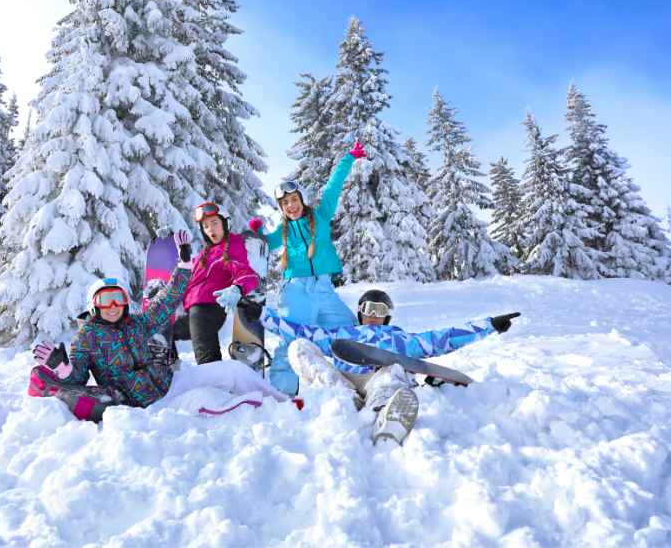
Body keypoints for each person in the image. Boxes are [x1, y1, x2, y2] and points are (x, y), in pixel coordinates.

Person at [27, 230, 286, 422]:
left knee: (234, 371)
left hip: (174, 379)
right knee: (209, 401)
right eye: (105, 301)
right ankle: (254, 411)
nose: (114, 305)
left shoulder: (136, 323)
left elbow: (167, 300)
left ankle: (284, 404)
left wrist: (184, 266)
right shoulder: (87, 338)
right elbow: (77, 380)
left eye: (118, 298)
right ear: (94, 306)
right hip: (152, 403)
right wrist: (62, 367)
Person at [261, 288, 520, 444]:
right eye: (368, 307)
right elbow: (297, 330)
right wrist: (260, 315)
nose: (374, 313)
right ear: (360, 311)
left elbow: (444, 337)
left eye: (380, 308)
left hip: (378, 379)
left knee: (394, 371)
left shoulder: (400, 338)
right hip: (342, 380)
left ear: (387, 314)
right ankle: (344, 400)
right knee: (299, 346)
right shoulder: (341, 333)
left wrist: (489, 325)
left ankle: (383, 412)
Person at [247, 140, 366, 396]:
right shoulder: (284, 231)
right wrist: (256, 233)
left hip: (324, 289)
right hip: (296, 291)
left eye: (293, 199)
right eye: (285, 203)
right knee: (291, 340)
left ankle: (359, 382)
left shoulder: (321, 216)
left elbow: (333, 187)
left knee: (350, 333)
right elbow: (265, 244)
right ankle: (281, 395)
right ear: (281, 208)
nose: (291, 205)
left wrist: (349, 158)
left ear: (301, 199)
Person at [171, 202, 260, 365]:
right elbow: (188, 282)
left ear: (225, 224)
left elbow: (247, 273)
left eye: (214, 223)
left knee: (206, 360)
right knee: (165, 332)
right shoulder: (203, 255)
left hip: (209, 309)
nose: (210, 229)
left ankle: (213, 385)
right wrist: (182, 260)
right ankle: (170, 372)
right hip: (194, 311)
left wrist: (237, 288)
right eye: (205, 226)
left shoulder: (232, 246)